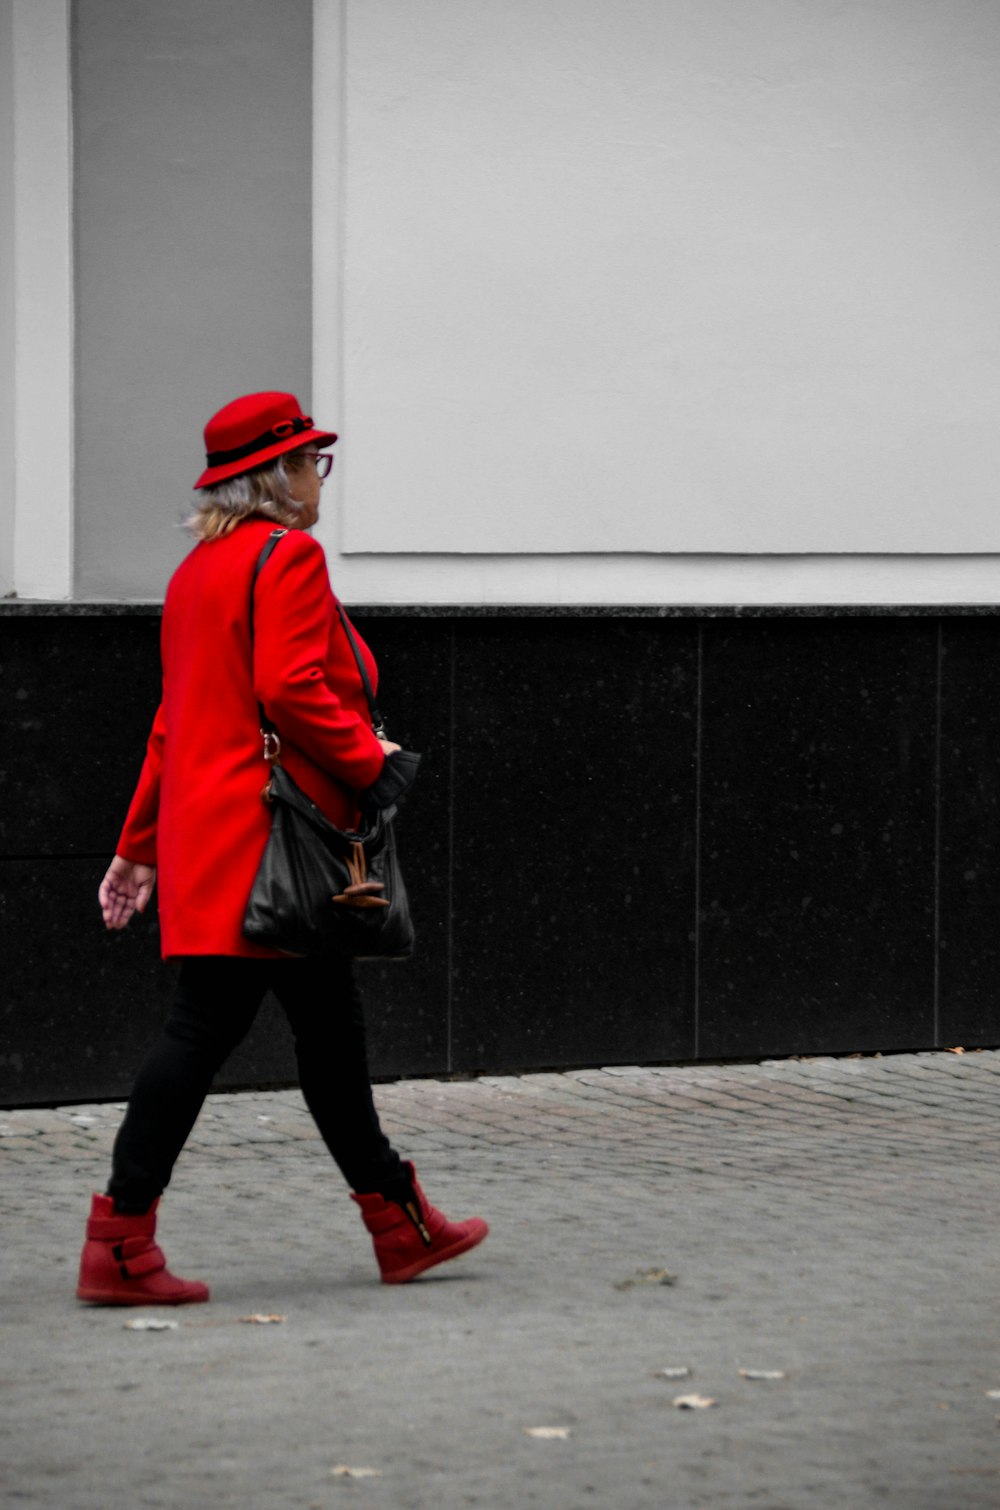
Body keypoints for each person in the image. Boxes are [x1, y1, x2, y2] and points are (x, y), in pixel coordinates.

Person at [77, 390, 488, 1305]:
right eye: (309, 462)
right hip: (281, 844)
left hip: (219, 842)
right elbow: (291, 686)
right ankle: (118, 1244)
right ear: (275, 476)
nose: (318, 478)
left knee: (325, 1032)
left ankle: (399, 1224)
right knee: (207, 1030)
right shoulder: (286, 556)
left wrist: (139, 845)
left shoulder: (197, 573)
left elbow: (170, 725)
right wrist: (371, 762)